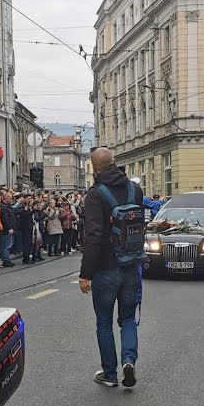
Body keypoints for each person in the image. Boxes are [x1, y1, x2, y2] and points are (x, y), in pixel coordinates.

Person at [79, 147, 145, 389]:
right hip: (132, 263)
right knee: (128, 318)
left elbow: (93, 236)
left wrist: (86, 273)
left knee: (104, 322)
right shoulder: (134, 189)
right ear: (115, 163)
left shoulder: (96, 194)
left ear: (95, 169)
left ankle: (109, 373)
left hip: (106, 268)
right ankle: (129, 360)